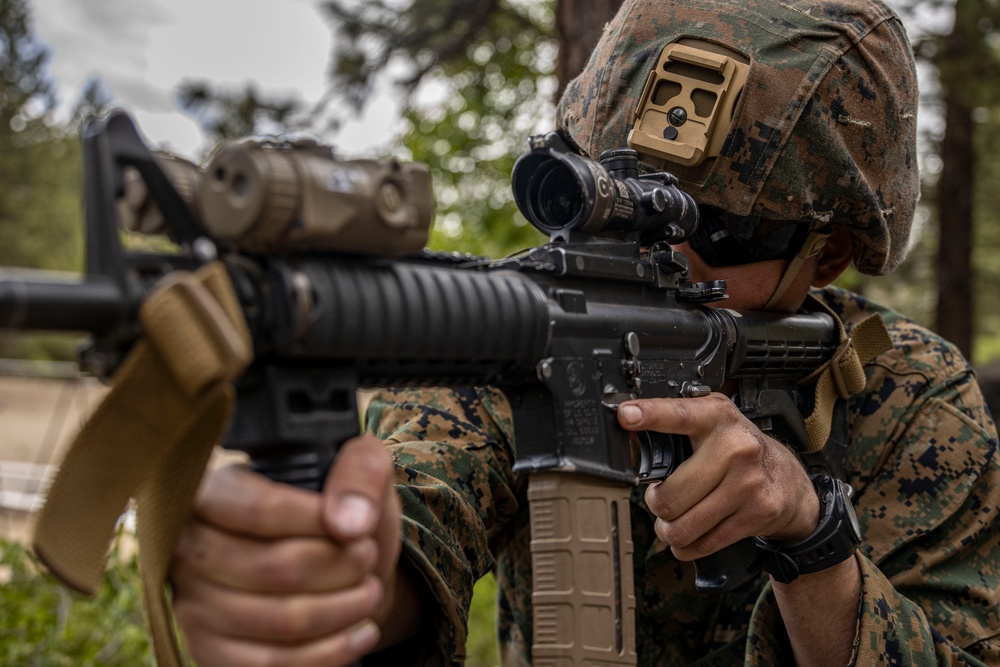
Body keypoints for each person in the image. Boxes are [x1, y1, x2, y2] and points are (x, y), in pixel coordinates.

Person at [169, 0, 1000, 664]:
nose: (656, 249)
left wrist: (809, 531)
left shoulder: (919, 399)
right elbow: (420, 506)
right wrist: (337, 580)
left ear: (829, 256)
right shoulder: (514, 330)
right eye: (607, 186)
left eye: (719, 229)